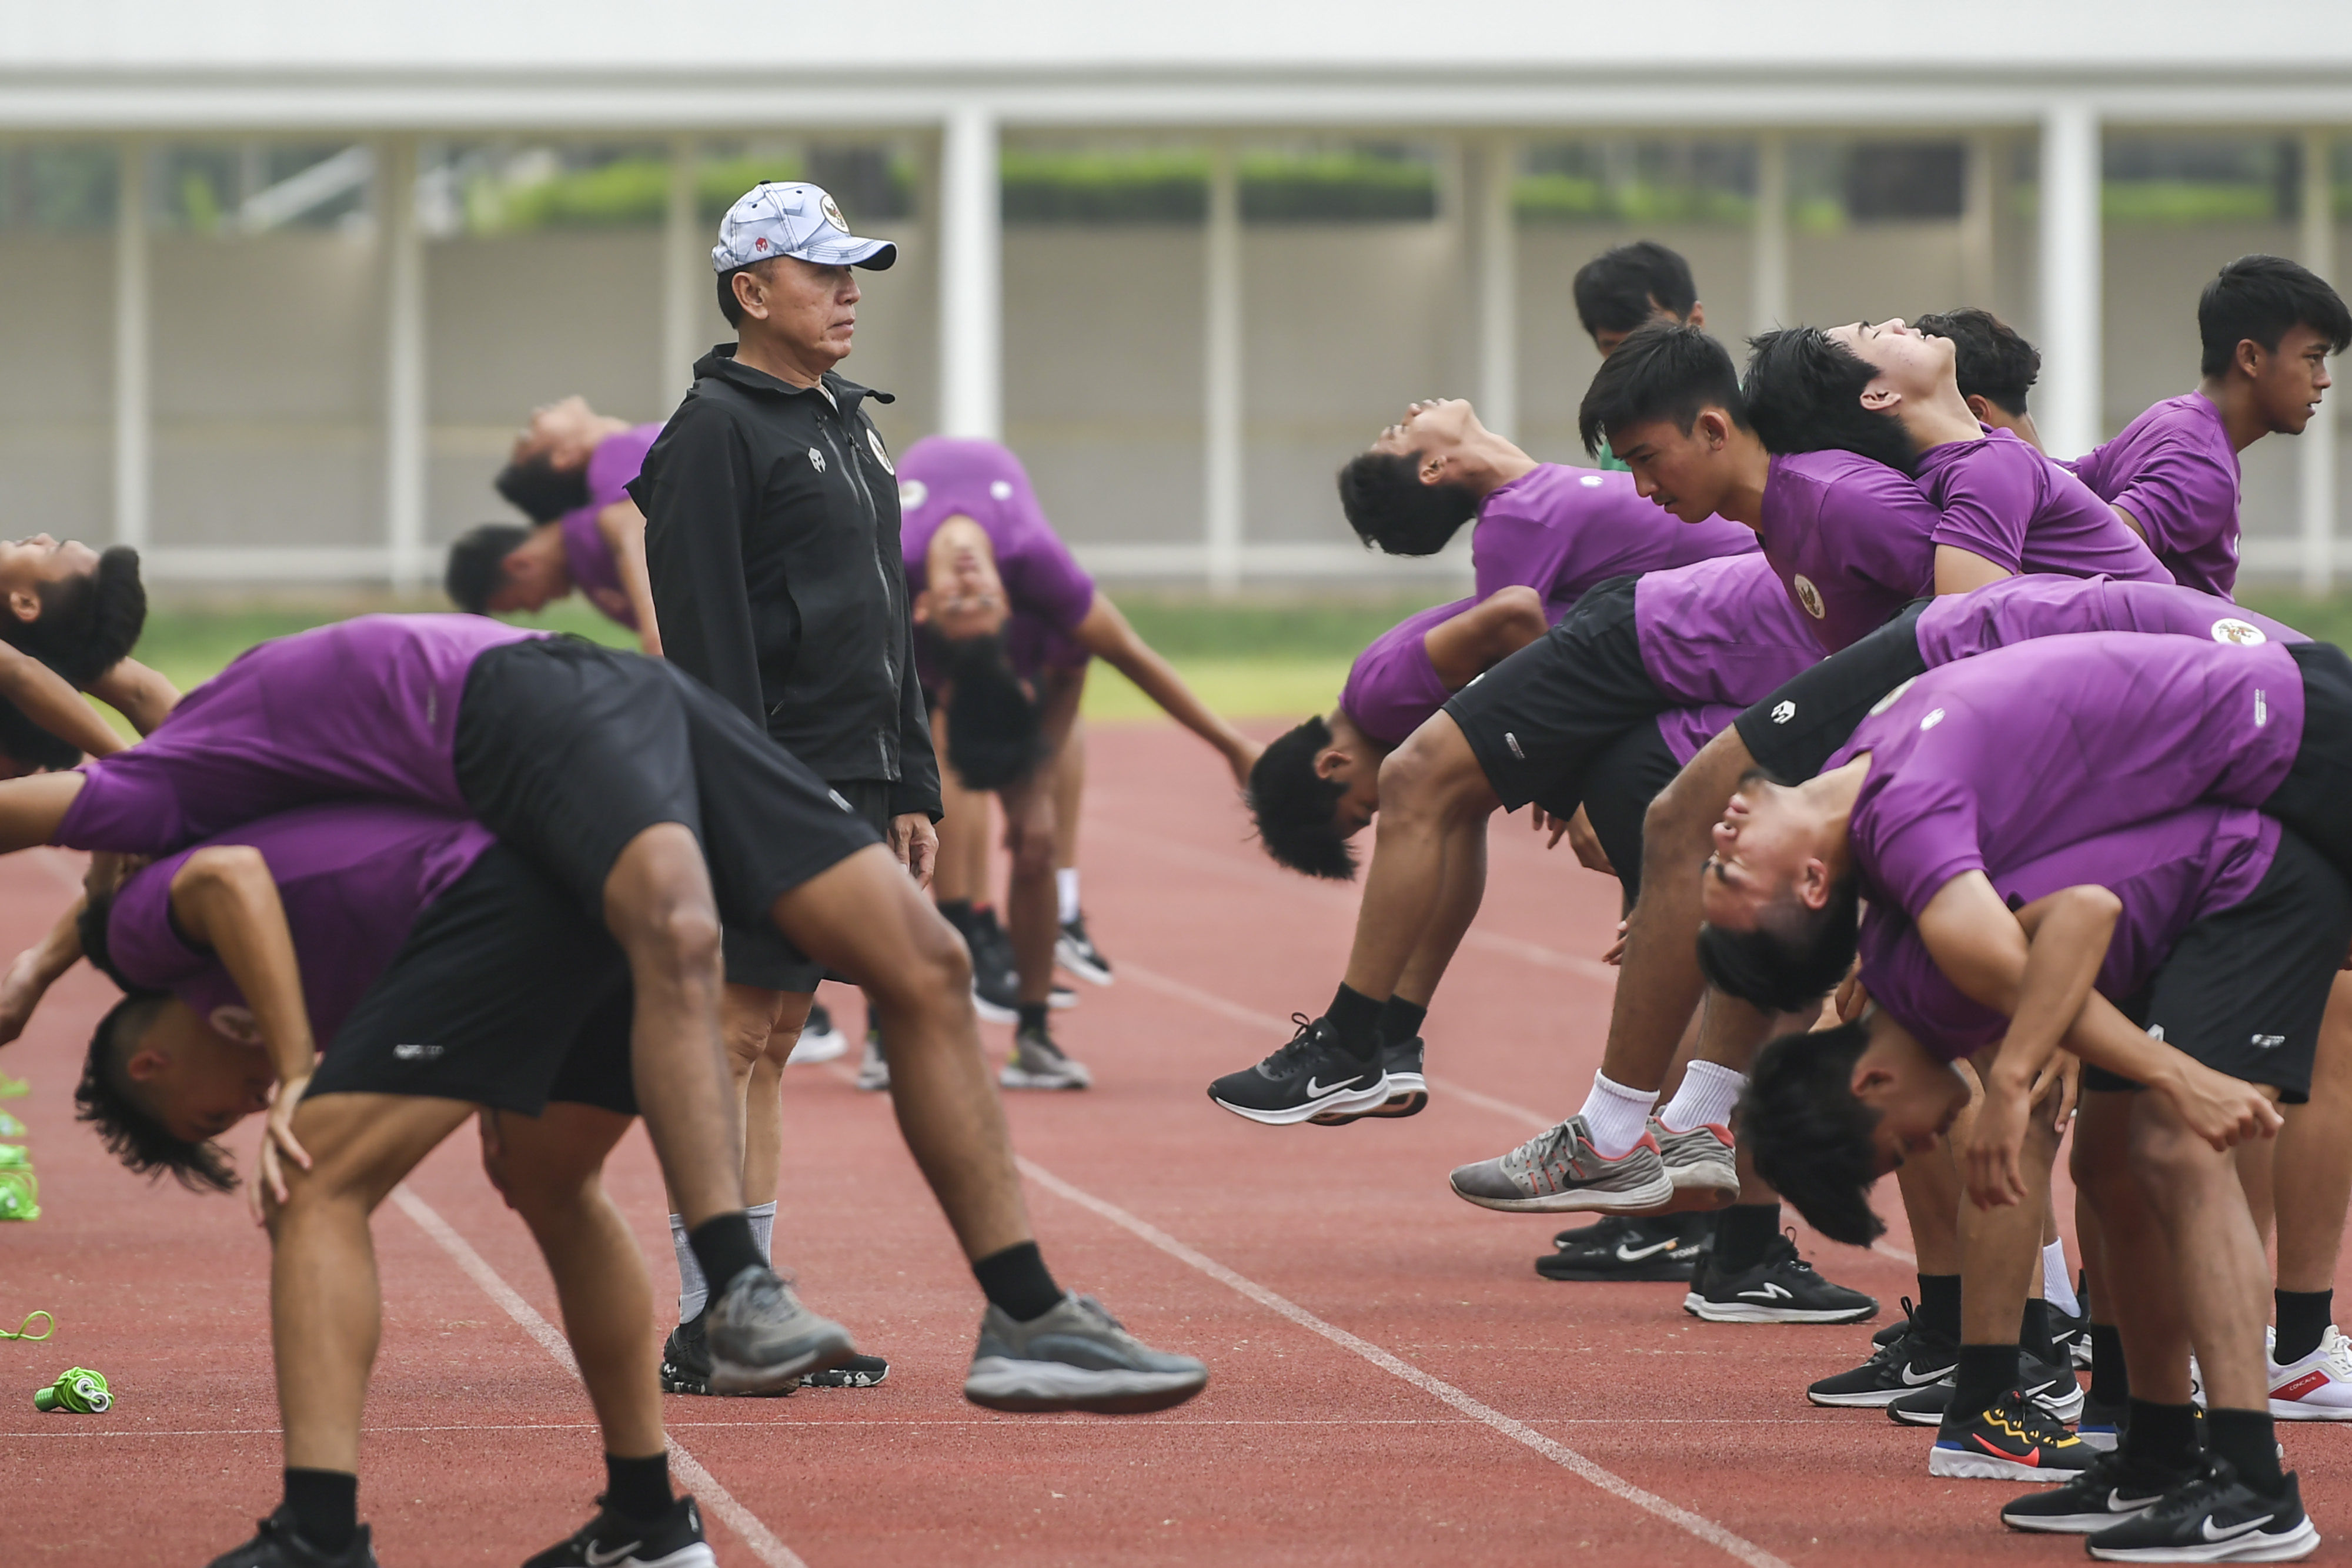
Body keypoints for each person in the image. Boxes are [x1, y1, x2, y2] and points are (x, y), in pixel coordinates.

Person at [0, 613, 1209, 1422]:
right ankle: (735, 1293)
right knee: (675, 936)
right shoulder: (205, 797)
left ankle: (1027, 1312)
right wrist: (51, 961)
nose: (256, 1084)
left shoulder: (171, 787)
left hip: (552, 694)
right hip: (564, 711)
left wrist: (46, 963)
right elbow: (130, 821)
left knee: (930, 959)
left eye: (230, 1094)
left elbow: (81, 806)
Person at [49, 803, 716, 1567]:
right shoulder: (308, 984)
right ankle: (648, 1522)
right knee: (553, 1183)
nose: (252, 1105)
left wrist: (299, 1066)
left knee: (309, 1179)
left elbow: (226, 873)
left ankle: (319, 1534)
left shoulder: (152, 951)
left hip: (508, 895)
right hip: (592, 893)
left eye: (211, 1115)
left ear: (150, 1063)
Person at [1734, 788, 2341, 1556]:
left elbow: (2085, 910)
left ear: (1870, 1084)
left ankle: (2254, 1481)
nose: (1925, 1147)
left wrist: (2021, 1065)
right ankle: (2151, 1442)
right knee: (2105, 1161)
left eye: (1899, 1147)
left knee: (2173, 1152)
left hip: (2242, 884)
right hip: (2185, 901)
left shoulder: (1934, 967)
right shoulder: (1902, 971)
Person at [630, 180, 947, 1362]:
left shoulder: (846, 420)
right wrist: (743, 794)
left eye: (852, 272)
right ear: (751, 291)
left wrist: (912, 777)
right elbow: (705, 637)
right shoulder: (713, 432)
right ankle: (711, 1310)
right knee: (727, 1030)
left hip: (852, 775)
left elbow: (889, 619)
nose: (847, 293)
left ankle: (746, 1296)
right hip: (770, 775)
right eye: (822, 274)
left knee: (771, 1029)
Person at [898, 436, 1259, 1091]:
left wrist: (1233, 747)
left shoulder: (1029, 576)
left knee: (1036, 841)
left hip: (1013, 681)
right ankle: (884, 1031)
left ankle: (1033, 1037)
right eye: (964, 600)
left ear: (1014, 606)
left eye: (970, 597)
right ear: (922, 611)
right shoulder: (912, 581)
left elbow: (1122, 658)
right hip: (925, 686)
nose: (970, 582)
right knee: (895, 832)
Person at [2064, 255, 2351, 600]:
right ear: (2251, 358)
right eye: (2312, 358)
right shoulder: (2200, 466)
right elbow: (2089, 545)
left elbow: (2067, 484)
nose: (2325, 380)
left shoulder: (2168, 417)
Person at [445, 397, 664, 656]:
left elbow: (623, 521)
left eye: (522, 605)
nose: (537, 609)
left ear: (519, 564)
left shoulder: (610, 457)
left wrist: (655, 642)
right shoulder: (589, 573)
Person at [1572, 240, 1707, 469]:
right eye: (1616, 347)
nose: (1634, 358)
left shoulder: (1756, 417)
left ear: (1695, 321)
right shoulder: (1619, 443)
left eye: (1648, 338)